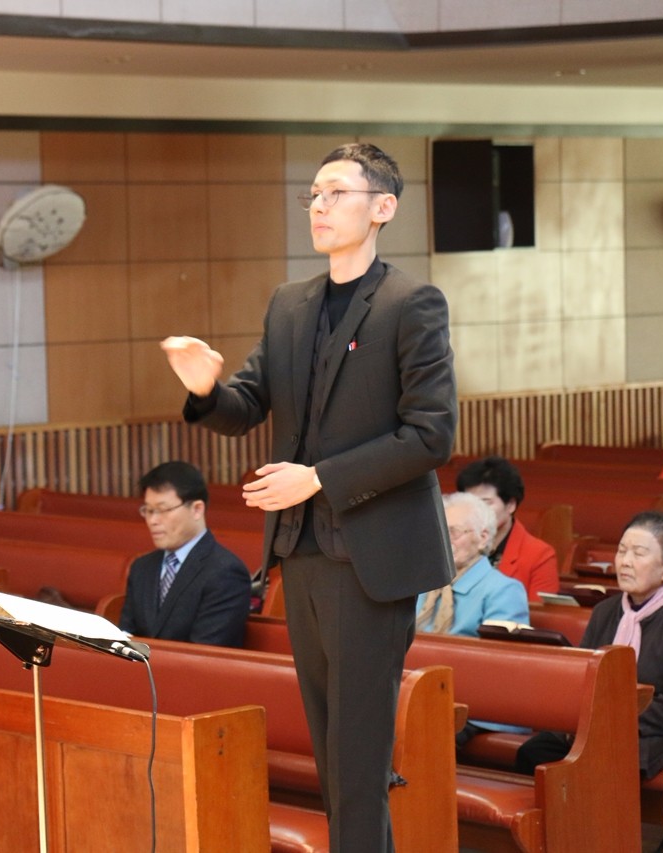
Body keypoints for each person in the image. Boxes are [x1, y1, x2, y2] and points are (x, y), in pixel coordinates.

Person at [161, 142, 456, 852]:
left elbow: (431, 435)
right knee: (333, 752)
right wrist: (206, 389)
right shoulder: (290, 304)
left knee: (356, 760)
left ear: (383, 208)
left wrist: (319, 476)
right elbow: (248, 402)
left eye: (336, 193)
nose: (319, 207)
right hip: (301, 549)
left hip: (372, 556)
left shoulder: (410, 302)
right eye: (314, 195)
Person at [516, 511, 663, 780]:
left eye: (639, 553)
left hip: (654, 733)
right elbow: (582, 674)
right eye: (622, 551)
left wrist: (616, 723)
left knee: (604, 762)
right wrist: (591, 722)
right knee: (533, 753)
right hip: (595, 725)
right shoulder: (605, 611)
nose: (625, 562)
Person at [117, 461, 252, 647]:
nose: (153, 520)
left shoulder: (226, 572)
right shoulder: (141, 567)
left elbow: (206, 652)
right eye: (148, 510)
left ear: (197, 509)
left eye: (163, 510)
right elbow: (126, 636)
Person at [416, 493, 529, 636]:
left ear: (483, 538)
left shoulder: (504, 591)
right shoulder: (420, 583)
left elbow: (501, 649)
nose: (443, 540)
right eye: (440, 532)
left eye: (453, 532)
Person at [455, 455, 560, 601]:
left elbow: (539, 612)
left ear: (510, 505)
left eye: (486, 503)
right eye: (470, 503)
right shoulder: (453, 545)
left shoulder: (539, 555)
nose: (477, 511)